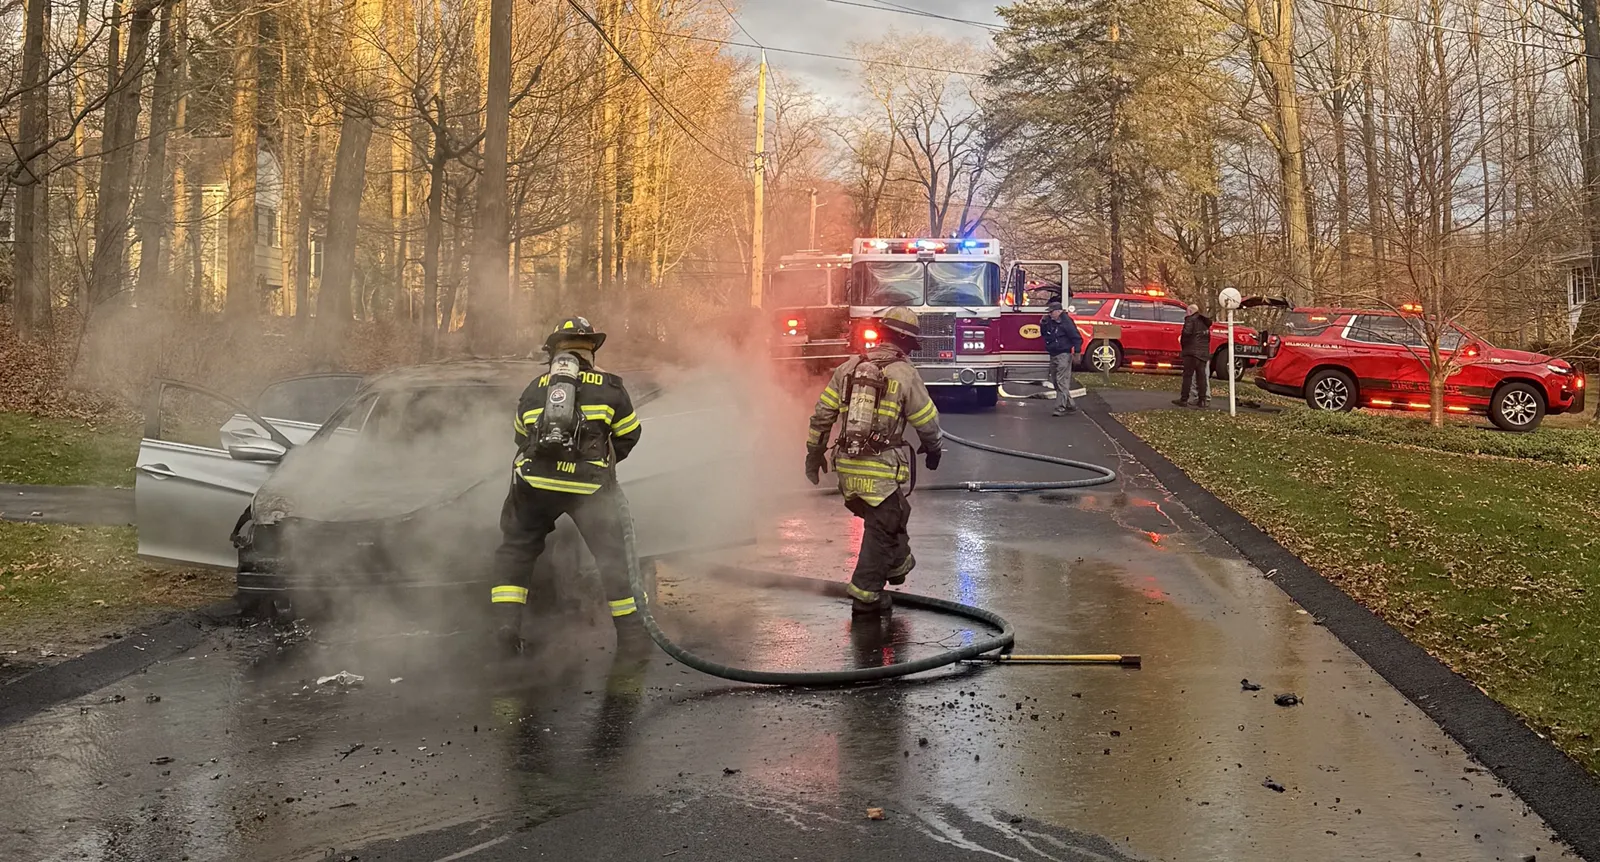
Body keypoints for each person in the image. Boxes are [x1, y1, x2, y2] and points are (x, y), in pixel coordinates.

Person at [489, 316, 648, 656]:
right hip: (589, 485)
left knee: (516, 551)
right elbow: (629, 435)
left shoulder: (534, 388)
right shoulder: (612, 387)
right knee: (613, 558)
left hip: (533, 482)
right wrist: (598, 463)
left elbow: (520, 436)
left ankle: (506, 627)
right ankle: (633, 638)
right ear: (590, 349)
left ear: (554, 351)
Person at [805, 308, 944, 616]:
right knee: (883, 527)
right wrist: (933, 450)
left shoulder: (848, 368)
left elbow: (822, 415)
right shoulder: (905, 374)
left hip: (847, 466)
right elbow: (926, 421)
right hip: (880, 469)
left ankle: (897, 565)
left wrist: (814, 454)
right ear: (906, 343)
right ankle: (866, 595)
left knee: (895, 513)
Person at [1040, 300, 1084, 416]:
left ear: (1059, 311)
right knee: (1056, 382)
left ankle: (1060, 408)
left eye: (1051, 312)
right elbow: (1044, 334)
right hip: (1053, 354)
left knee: (1061, 382)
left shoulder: (1067, 323)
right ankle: (1071, 405)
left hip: (1064, 354)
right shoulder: (1049, 322)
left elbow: (1077, 338)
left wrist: (1077, 353)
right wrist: (1043, 324)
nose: (1050, 314)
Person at [1175, 304, 1213, 408]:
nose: (1186, 314)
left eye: (1187, 311)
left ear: (1190, 311)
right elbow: (1208, 339)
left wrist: (1184, 347)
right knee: (1202, 377)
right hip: (1203, 353)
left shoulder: (1190, 320)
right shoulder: (1205, 323)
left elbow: (1186, 334)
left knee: (1187, 376)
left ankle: (1184, 399)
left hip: (1191, 352)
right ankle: (1202, 400)